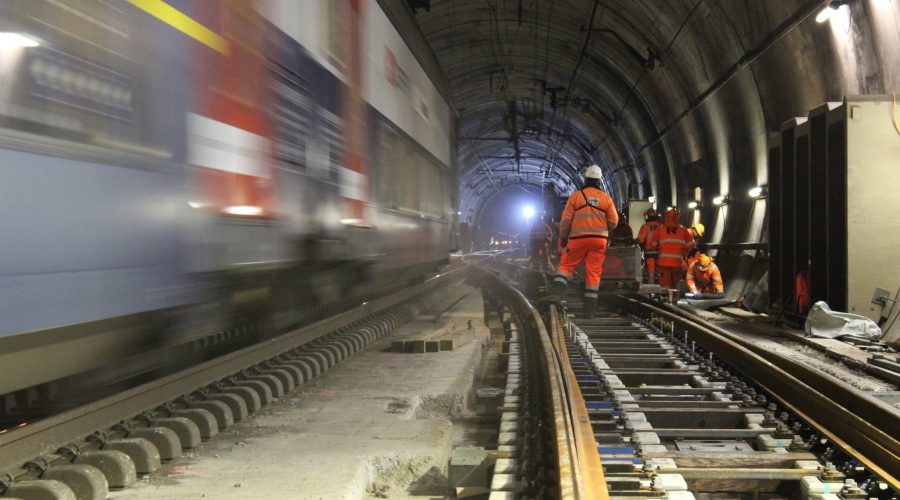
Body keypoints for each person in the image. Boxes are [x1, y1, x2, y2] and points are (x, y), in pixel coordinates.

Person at [547, 164, 618, 317]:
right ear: (599, 181)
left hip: (578, 239)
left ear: (586, 179)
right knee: (593, 273)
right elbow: (614, 222)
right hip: (599, 241)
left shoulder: (576, 197)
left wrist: (564, 237)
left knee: (566, 265)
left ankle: (556, 295)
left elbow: (565, 221)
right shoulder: (606, 199)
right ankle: (590, 310)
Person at [646, 208, 694, 291]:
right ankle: (674, 300)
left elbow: (653, 245)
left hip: (663, 264)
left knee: (664, 286)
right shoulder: (683, 230)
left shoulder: (660, 229)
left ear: (666, 217)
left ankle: (665, 301)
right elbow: (690, 245)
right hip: (677, 264)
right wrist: (682, 250)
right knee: (675, 286)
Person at [636, 208, 662, 283]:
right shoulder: (661, 226)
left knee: (651, 274)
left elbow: (640, 240)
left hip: (649, 252)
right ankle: (660, 291)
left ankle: (651, 292)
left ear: (647, 217)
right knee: (660, 273)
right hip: (660, 252)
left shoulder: (645, 226)